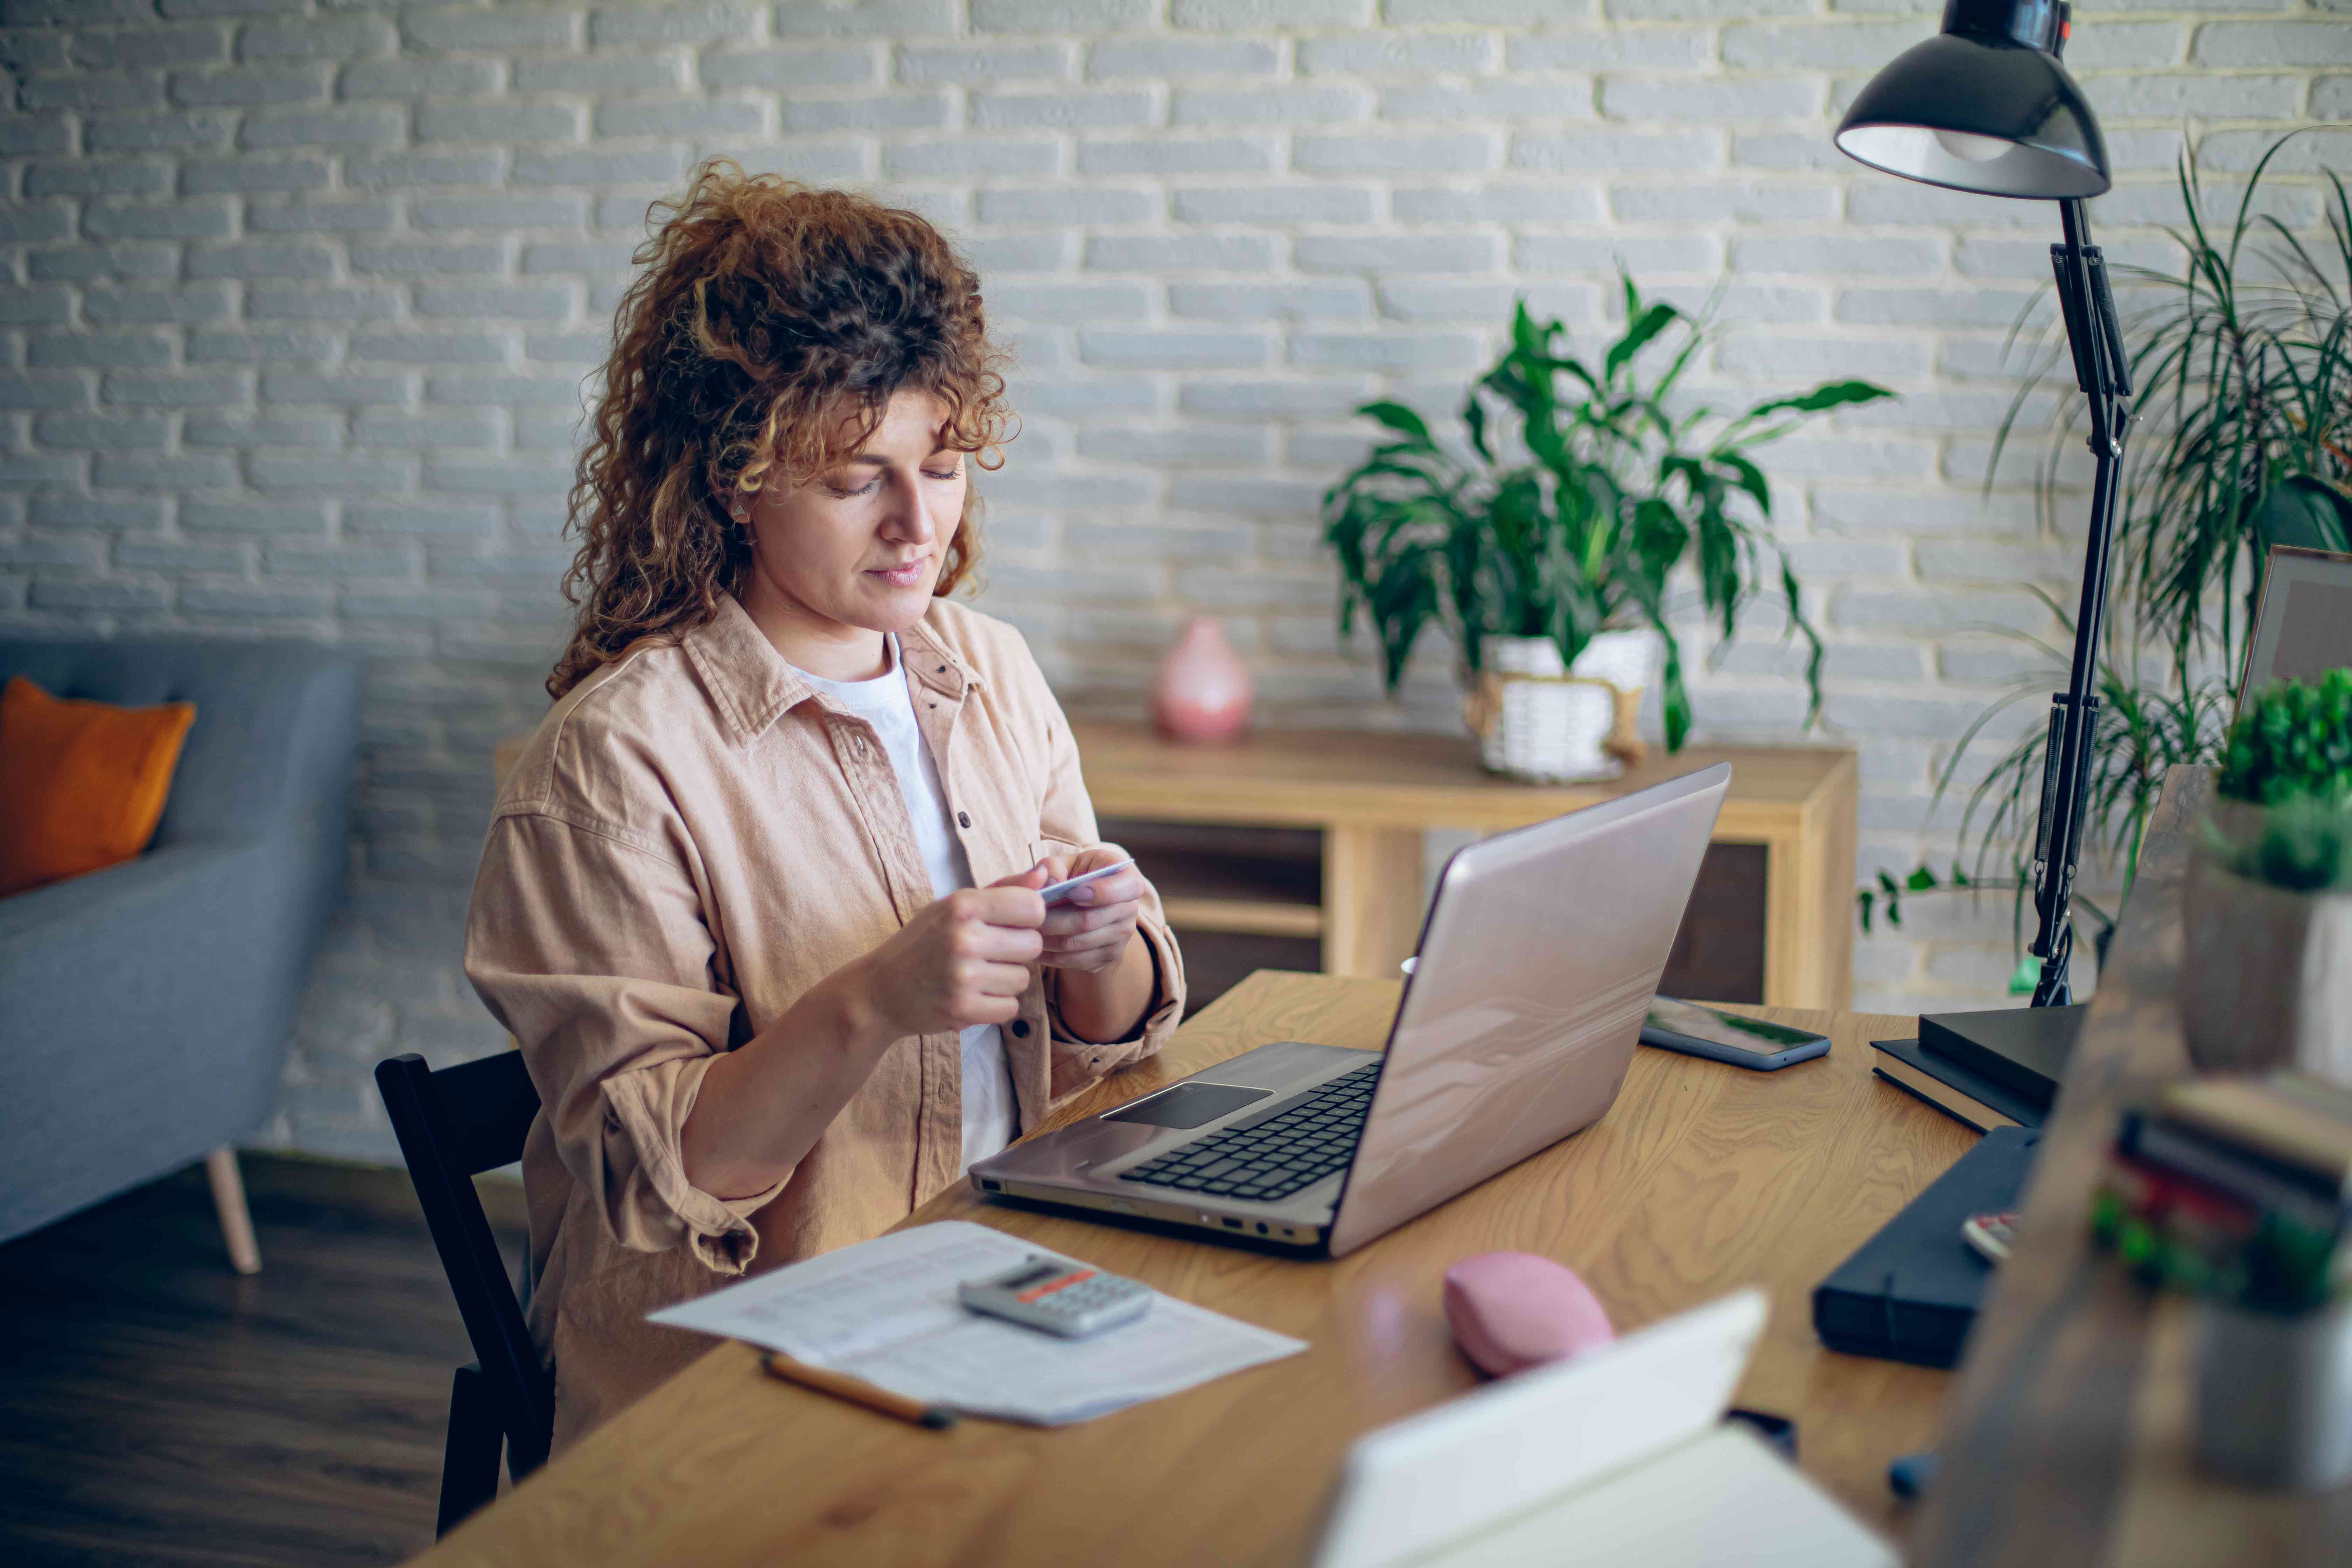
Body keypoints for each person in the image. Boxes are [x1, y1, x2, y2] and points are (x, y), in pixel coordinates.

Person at [464, 161, 1185, 1449]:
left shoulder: (993, 671)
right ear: (737, 477)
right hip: (741, 1378)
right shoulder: (613, 764)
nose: (922, 523)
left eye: (947, 464)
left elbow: (1103, 1053)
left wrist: (1108, 950)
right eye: (859, 481)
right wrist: (872, 1001)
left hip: (1002, 1285)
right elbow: (663, 1183)